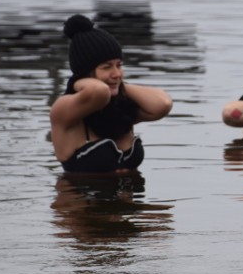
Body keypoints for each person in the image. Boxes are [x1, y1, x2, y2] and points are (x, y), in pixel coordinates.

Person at [50, 14, 173, 174]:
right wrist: (78, 81)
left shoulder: (121, 108)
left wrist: (117, 84)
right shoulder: (64, 110)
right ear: (86, 72)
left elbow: (162, 104)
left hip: (130, 198)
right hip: (78, 197)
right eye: (107, 67)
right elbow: (97, 92)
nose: (117, 73)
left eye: (119, 65)